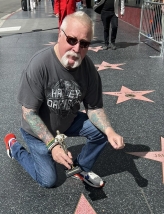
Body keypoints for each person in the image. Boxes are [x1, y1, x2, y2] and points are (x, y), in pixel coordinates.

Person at [4, 11, 125, 189]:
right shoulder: (39, 65)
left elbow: (94, 108)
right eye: (72, 40)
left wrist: (110, 130)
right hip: (37, 131)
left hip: (67, 120)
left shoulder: (88, 68)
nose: (77, 49)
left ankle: (80, 167)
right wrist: (53, 145)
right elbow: (28, 113)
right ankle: (14, 147)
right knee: (48, 180)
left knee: (101, 132)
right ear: (60, 35)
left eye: (84, 44)